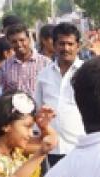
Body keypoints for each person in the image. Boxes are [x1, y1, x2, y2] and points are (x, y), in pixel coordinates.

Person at [34, 22, 85, 162]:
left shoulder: (88, 72)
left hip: (80, 146)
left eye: (70, 44)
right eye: (61, 44)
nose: (66, 48)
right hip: (52, 148)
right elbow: (37, 108)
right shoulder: (44, 75)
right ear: (54, 45)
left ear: (78, 46)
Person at [0, 24, 51, 96]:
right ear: (9, 43)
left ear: (29, 39)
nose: (19, 44)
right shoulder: (5, 66)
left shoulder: (46, 63)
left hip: (39, 106)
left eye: (22, 40)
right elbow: (3, 92)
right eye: (14, 42)